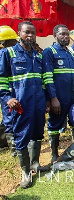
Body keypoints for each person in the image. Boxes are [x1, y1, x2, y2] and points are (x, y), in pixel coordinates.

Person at [0, 21, 48, 188]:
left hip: (38, 103)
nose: (31, 36)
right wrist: (7, 98)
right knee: (21, 136)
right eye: (27, 32)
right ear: (19, 33)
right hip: (20, 104)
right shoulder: (9, 53)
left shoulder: (37, 55)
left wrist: (47, 99)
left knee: (37, 133)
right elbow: (2, 79)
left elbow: (43, 79)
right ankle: (26, 173)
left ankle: (35, 164)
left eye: (33, 33)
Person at [43, 24, 74, 163]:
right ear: (55, 36)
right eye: (62, 34)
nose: (65, 37)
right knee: (55, 124)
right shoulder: (50, 51)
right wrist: (53, 98)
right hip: (59, 97)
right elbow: (48, 77)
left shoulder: (70, 52)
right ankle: (54, 155)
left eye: (67, 34)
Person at [0, 25, 18, 157]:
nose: (16, 43)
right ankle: (13, 148)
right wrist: (6, 95)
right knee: (9, 117)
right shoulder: (4, 54)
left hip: (14, 89)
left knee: (15, 116)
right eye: (13, 41)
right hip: (7, 91)